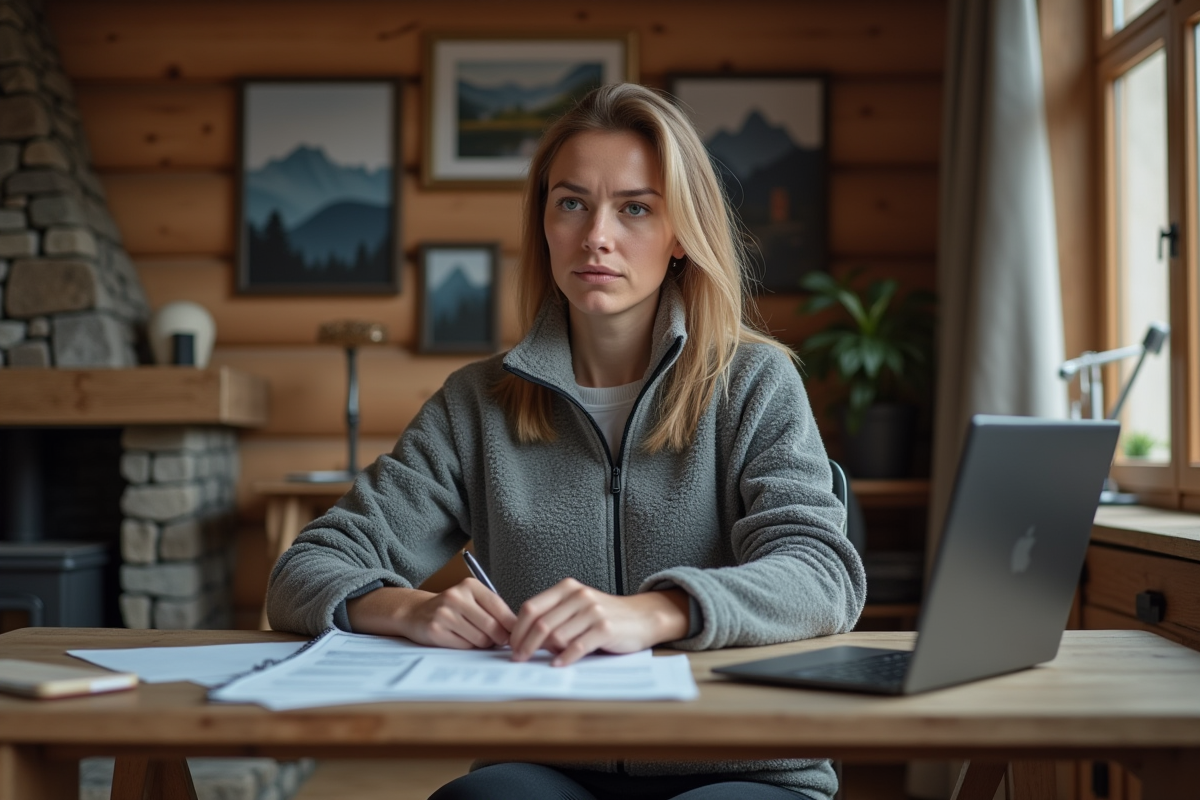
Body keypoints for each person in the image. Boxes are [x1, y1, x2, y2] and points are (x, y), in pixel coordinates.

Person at [266, 82, 866, 800]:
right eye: (572, 203)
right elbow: (305, 571)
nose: (596, 237)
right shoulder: (475, 404)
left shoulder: (754, 382)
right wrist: (410, 608)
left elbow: (822, 573)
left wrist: (652, 612)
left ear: (681, 235)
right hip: (549, 760)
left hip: (743, 763)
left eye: (635, 208)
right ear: (545, 223)